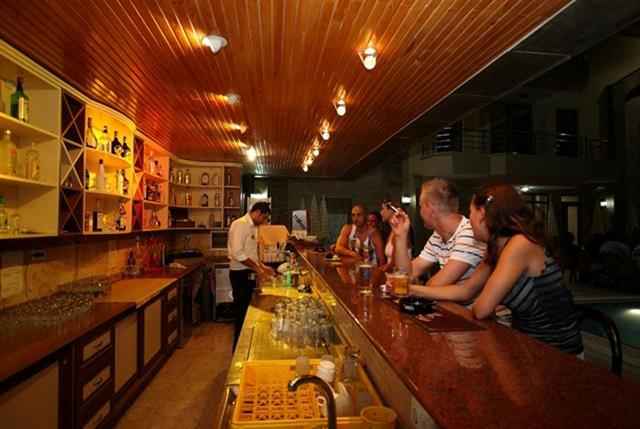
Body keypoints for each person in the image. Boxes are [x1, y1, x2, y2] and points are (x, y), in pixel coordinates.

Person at [392, 184, 583, 355]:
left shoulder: (519, 245)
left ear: (482, 214)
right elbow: (466, 290)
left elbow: (482, 309)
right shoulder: (495, 249)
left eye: (471, 212)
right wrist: (411, 289)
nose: (469, 220)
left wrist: (414, 289)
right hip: (527, 342)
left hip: (557, 349)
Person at [393, 178, 486, 287]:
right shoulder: (438, 235)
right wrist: (401, 235)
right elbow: (406, 275)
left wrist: (413, 285)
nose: (420, 212)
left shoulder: (469, 234)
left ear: (429, 208)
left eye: (421, 206)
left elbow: (436, 285)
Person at [227, 202, 276, 347]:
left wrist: (263, 267)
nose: (264, 221)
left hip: (247, 273)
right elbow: (237, 253)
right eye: (264, 218)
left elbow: (251, 254)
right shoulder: (240, 224)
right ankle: (238, 351)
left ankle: (246, 346)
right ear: (258, 213)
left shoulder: (253, 227)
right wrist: (257, 268)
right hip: (240, 275)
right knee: (242, 315)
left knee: (249, 313)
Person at [380, 200, 413, 272]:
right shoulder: (392, 231)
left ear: (391, 210)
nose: (381, 212)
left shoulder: (400, 232)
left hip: (401, 274)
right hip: (393, 274)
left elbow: (393, 264)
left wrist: (379, 271)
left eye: (383, 209)